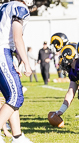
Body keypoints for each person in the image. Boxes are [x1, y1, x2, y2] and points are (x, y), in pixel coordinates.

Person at [0, 0, 33, 143]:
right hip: (3, 52)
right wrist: (26, 63)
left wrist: (17, 58)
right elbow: (17, 37)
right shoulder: (20, 7)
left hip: (6, 52)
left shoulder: (4, 6)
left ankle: (17, 137)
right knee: (16, 96)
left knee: (10, 97)